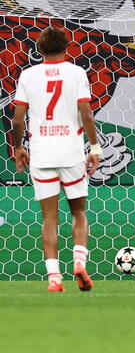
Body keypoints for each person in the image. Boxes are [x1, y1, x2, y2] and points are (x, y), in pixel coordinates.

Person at [12, 27, 101, 293]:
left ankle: (54, 278)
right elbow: (86, 114)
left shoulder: (28, 75)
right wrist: (94, 147)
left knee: (49, 218)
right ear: (67, 47)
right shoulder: (76, 73)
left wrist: (18, 148)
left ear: (39, 50)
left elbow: (17, 119)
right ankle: (79, 262)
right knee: (78, 211)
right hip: (71, 150)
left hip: (41, 151)